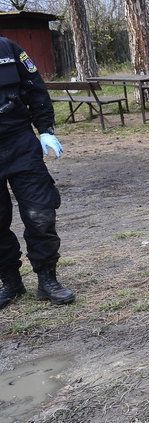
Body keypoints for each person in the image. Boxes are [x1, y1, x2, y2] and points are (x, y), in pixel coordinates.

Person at [0, 36, 75, 310]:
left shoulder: (8, 49)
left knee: (40, 214)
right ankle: (10, 282)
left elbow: (36, 89)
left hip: (20, 143)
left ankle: (47, 280)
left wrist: (45, 130)